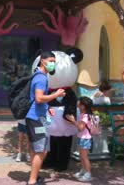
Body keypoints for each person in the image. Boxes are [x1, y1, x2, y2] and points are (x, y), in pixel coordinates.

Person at [26, 51, 66, 185]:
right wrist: (55, 95)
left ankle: (34, 176)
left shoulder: (37, 76)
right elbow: (38, 98)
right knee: (41, 150)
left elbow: (37, 98)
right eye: (50, 61)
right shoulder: (41, 78)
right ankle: (32, 180)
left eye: (54, 62)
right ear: (42, 61)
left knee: (35, 148)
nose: (52, 64)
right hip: (37, 119)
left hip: (34, 117)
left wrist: (47, 107)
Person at [66, 97, 94, 182]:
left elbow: (81, 128)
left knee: (84, 157)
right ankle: (83, 170)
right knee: (82, 156)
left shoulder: (86, 116)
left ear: (83, 106)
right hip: (82, 137)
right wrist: (72, 121)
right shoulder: (83, 114)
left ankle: (88, 173)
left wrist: (73, 121)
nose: (77, 104)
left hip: (85, 138)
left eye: (79, 103)